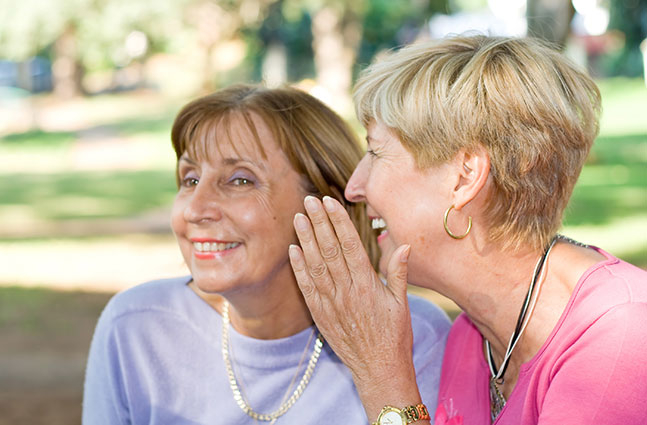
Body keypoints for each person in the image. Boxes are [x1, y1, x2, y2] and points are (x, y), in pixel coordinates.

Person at [288, 35, 647, 425]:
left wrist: (382, 373)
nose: (353, 187)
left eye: (375, 152)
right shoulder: (470, 339)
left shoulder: (619, 337)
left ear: (465, 176)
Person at [82, 84, 451, 424]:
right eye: (190, 179)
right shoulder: (136, 327)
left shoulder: (415, 335)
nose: (196, 209)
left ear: (328, 204)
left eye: (240, 180)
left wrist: (381, 370)